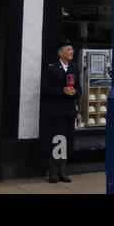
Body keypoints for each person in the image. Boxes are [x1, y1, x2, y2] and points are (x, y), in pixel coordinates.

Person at [41, 39, 79, 183]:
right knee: (53, 140)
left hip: (68, 111)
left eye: (72, 49)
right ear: (60, 53)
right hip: (53, 111)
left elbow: (79, 89)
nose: (72, 52)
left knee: (66, 141)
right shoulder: (51, 68)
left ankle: (62, 171)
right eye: (68, 49)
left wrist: (75, 91)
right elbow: (45, 88)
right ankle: (52, 171)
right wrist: (62, 90)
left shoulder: (74, 68)